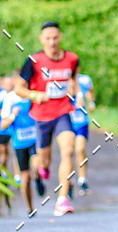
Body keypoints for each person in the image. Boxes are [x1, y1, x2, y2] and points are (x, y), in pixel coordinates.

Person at [15, 22, 79, 217]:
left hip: (62, 112)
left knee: (68, 150)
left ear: (60, 37)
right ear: (41, 40)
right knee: (44, 162)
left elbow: (73, 80)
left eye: (55, 38)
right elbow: (19, 88)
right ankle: (40, 170)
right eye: (48, 38)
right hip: (42, 117)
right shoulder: (34, 60)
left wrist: (73, 90)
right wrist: (35, 95)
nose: (52, 42)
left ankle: (62, 200)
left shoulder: (72, 58)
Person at [1, 75, 44, 213]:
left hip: (34, 139)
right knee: (25, 177)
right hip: (19, 142)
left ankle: (38, 179)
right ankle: (30, 208)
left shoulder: (31, 94)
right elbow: (3, 125)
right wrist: (13, 115)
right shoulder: (9, 98)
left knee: (37, 165)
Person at [69, 72, 95, 194]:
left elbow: (90, 91)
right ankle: (68, 181)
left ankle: (82, 179)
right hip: (67, 122)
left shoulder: (85, 79)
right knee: (68, 152)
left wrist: (91, 103)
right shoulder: (62, 81)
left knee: (80, 149)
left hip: (81, 121)